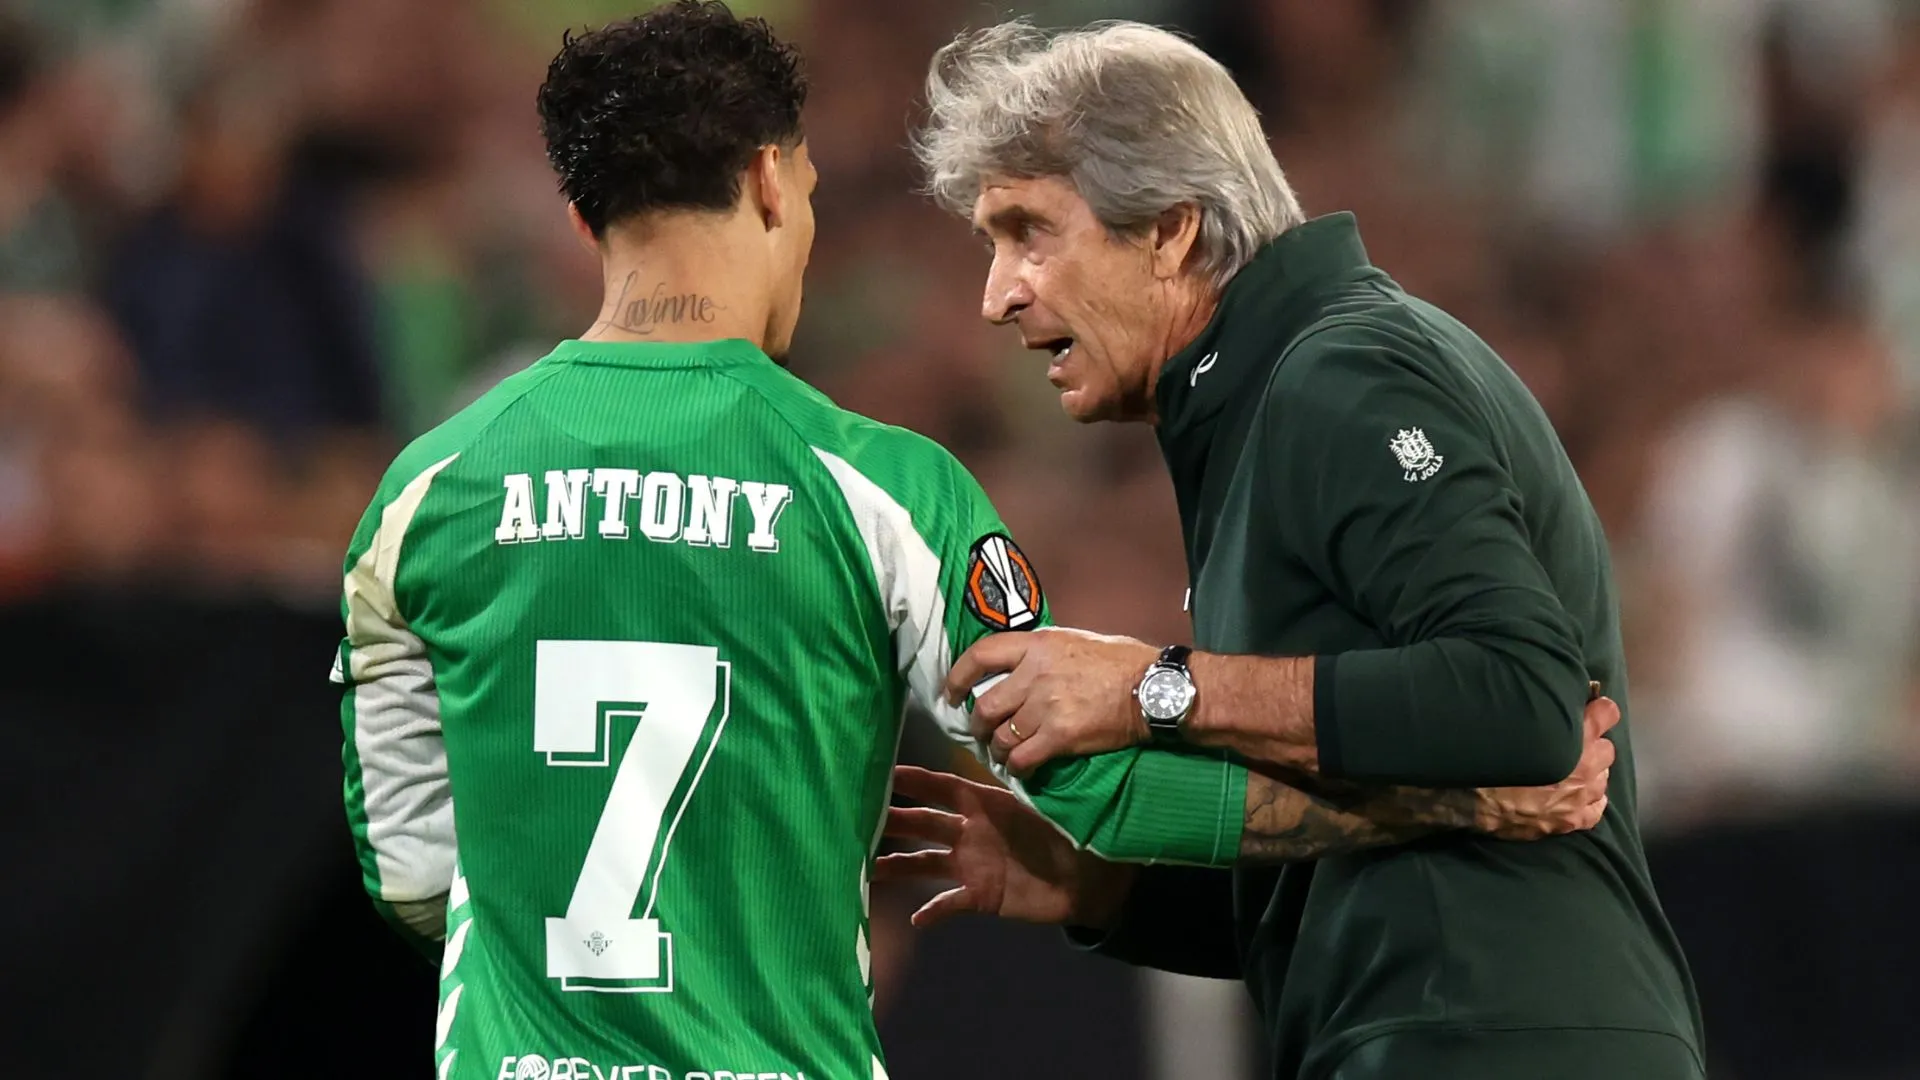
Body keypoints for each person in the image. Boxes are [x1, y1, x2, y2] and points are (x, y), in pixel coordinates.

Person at [333, 5, 1618, 1077]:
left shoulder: (425, 493)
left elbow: (411, 873)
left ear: (581, 221)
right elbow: (1099, 787)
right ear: (775, 181)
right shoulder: (884, 488)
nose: (997, 290)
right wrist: (1437, 807)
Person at [885, 19, 1706, 1080]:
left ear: (1171, 230)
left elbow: (1523, 699)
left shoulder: (1342, 373)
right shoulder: (1268, 400)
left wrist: (1154, 688)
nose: (997, 294)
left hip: (1493, 1042)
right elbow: (1361, 882)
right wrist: (1099, 886)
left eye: (1029, 232)